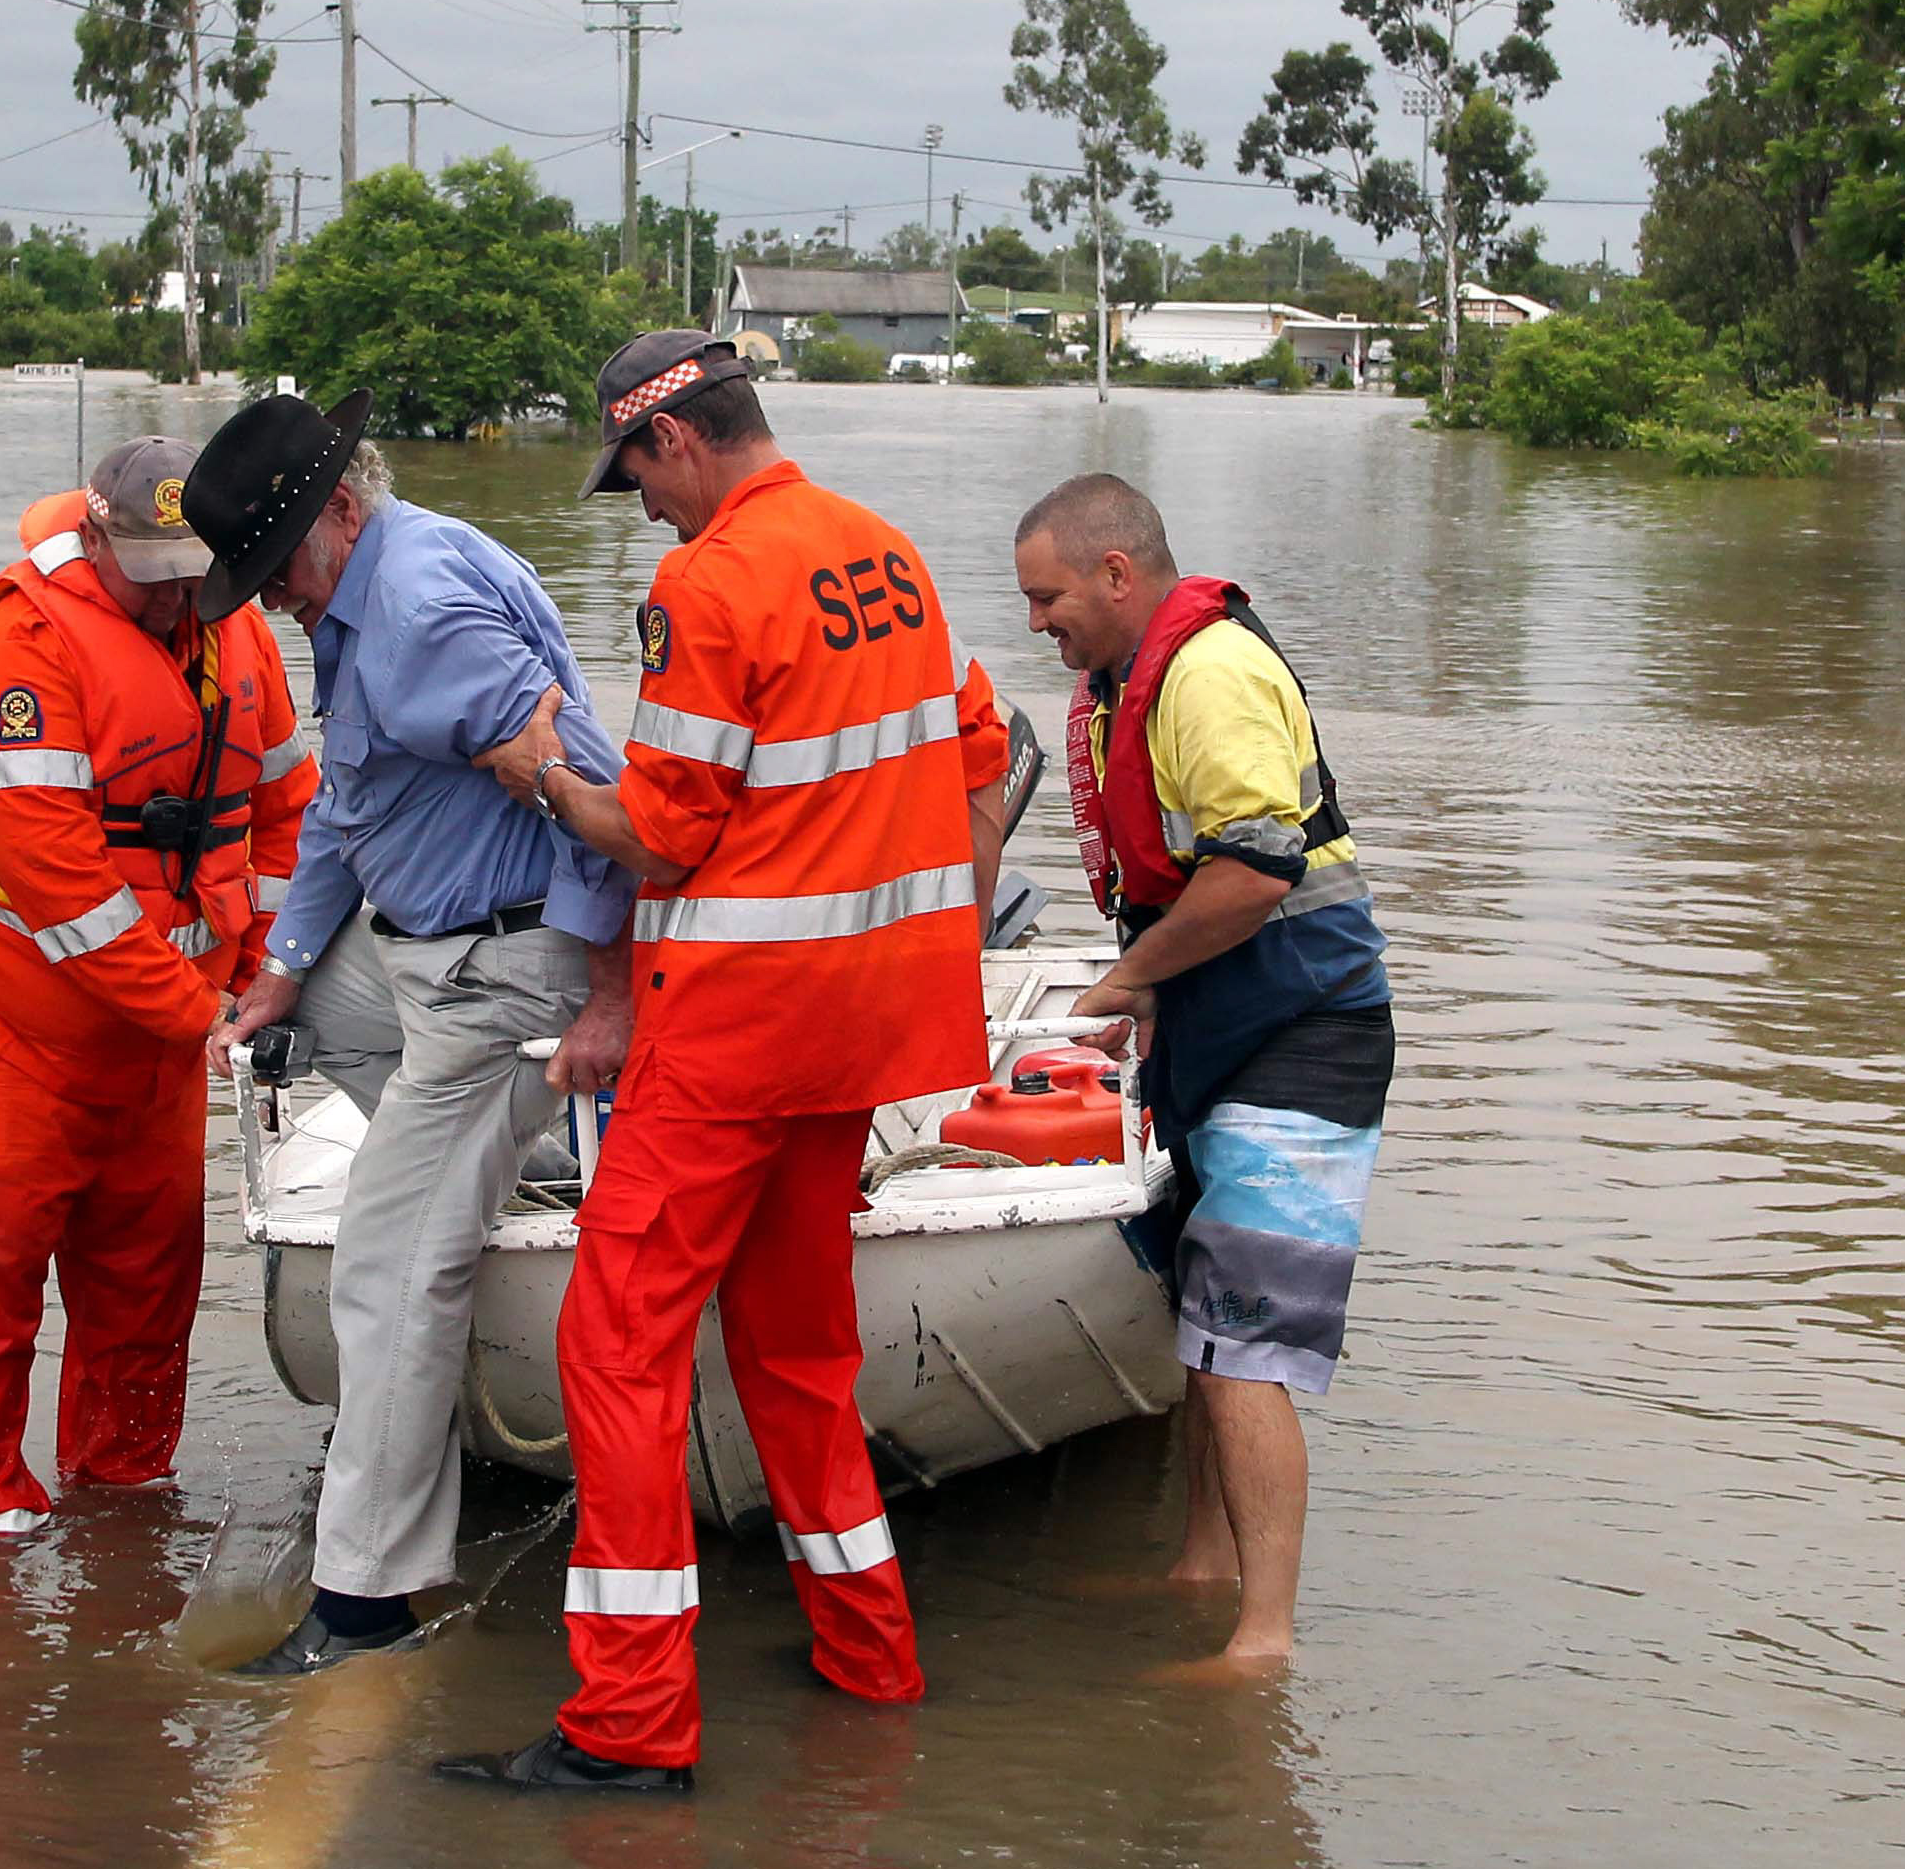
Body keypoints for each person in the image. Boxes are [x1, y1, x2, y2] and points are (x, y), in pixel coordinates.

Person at [434, 331, 1011, 1794]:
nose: (639, 509)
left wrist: (545, 779)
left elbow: (665, 829)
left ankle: (629, 1726)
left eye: (635, 477)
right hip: (866, 1035)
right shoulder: (891, 555)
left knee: (614, 1348)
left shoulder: (710, 582)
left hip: (738, 1035)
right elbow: (980, 750)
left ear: (677, 441)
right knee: (798, 1352)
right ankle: (868, 1655)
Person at [191, 393, 638, 1678]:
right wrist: (281, 971)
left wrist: (610, 996)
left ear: (340, 506)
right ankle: (503, 1163)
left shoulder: (420, 610)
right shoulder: (377, 578)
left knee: (381, 1269)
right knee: (314, 1017)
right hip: (418, 952)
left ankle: (369, 1597)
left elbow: (594, 790)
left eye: (277, 571)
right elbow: (344, 802)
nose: (272, 600)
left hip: (503, 972)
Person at [0, 436, 316, 1534]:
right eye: (154, 570)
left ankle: (123, 1505)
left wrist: (269, 965)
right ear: (92, 535)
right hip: (0, 1017)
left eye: (193, 570)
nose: (178, 595)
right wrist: (207, 1014)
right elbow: (59, 888)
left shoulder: (238, 630)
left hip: (164, 1034)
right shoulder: (23, 644)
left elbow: (285, 814)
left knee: (146, 1290)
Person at [1009, 471, 1392, 1675]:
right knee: (1202, 1310)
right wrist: (1161, 991)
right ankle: (1203, 1564)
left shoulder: (1210, 673)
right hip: (1230, 1018)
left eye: (1049, 596)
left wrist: (1127, 980)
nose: (1038, 623)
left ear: (1118, 574)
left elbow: (1255, 874)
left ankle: (1263, 1644)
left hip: (1309, 1023)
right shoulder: (1133, 681)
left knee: (1245, 1334)